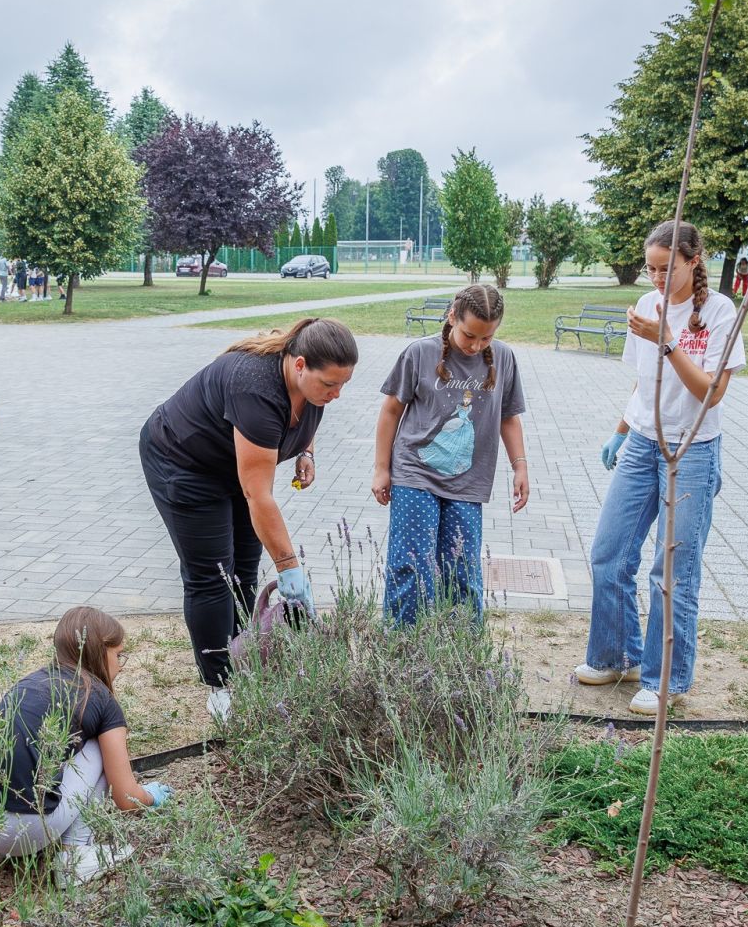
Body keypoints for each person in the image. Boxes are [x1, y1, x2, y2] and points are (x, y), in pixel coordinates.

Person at [140, 318, 358, 720]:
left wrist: (306, 452)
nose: (337, 394)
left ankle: (244, 662)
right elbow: (258, 495)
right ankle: (220, 686)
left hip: (235, 466)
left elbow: (305, 416)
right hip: (184, 462)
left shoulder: (311, 388)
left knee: (243, 570)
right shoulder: (255, 389)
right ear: (299, 365)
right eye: (330, 384)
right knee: (212, 576)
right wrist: (290, 567)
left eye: (343, 384)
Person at [574, 219, 744, 716]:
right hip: (643, 443)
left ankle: (664, 678)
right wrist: (620, 432)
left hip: (691, 451)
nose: (655, 279)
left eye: (666, 268)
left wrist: (669, 340)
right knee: (610, 554)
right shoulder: (647, 306)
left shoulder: (718, 311)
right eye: (649, 268)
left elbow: (711, 393)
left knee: (671, 571)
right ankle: (615, 656)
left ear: (694, 261)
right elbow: (643, 381)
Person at [372, 284, 529, 626]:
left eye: (485, 338)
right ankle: (403, 650)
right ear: (452, 317)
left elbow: (509, 417)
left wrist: (520, 467)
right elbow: (390, 411)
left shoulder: (503, 358)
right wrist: (381, 469)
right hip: (416, 472)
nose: (475, 346)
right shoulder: (419, 353)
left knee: (462, 569)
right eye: (469, 335)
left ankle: (460, 658)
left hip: (468, 480)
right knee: (411, 565)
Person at [0, 607, 171, 883]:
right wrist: (151, 796)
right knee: (98, 746)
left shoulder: (28, 683)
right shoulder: (101, 699)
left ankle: (23, 847)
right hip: (27, 831)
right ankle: (76, 855)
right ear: (100, 650)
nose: (120, 664)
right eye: (119, 655)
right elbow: (125, 798)